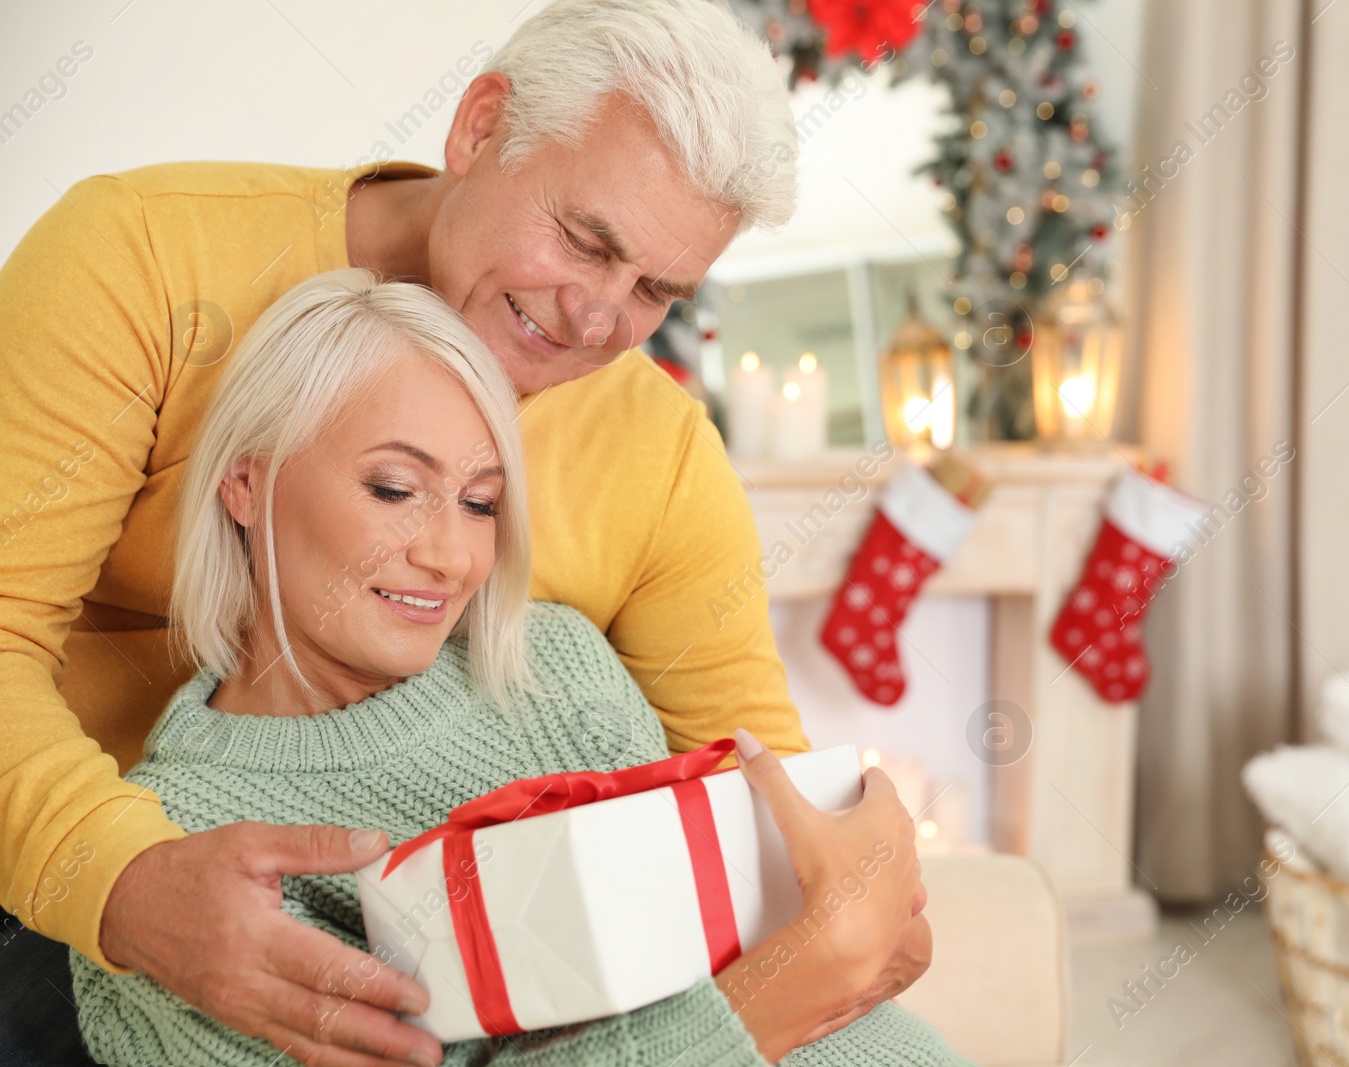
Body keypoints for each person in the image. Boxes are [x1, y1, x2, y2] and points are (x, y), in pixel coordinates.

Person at [0, 1, 821, 1062]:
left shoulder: (657, 450)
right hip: (62, 887)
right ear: (479, 127)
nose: (593, 319)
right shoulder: (143, 254)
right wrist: (127, 883)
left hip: (453, 952)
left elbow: (761, 783)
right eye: (584, 239)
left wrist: (852, 868)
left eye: (655, 289)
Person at [68, 268, 955, 1067]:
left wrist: (869, 921)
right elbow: (774, 983)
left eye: (481, 502)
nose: (453, 557)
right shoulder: (175, 866)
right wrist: (800, 982)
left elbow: (734, 935)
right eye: (393, 489)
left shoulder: (557, 667)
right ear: (246, 482)